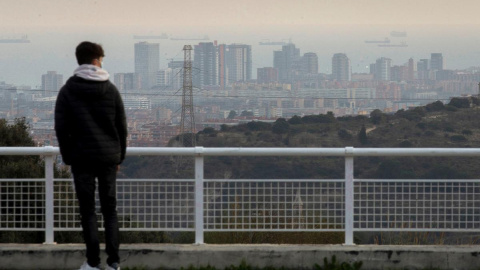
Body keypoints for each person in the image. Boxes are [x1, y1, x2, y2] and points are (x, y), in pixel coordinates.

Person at [55, 41, 127, 270]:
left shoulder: (67, 90)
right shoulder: (111, 90)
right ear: (98, 59)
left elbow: (61, 128)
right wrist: (119, 157)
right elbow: (121, 127)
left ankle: (93, 263)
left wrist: (68, 157)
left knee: (87, 211)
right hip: (108, 158)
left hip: (81, 158)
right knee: (110, 210)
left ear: (79, 60)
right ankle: (114, 262)